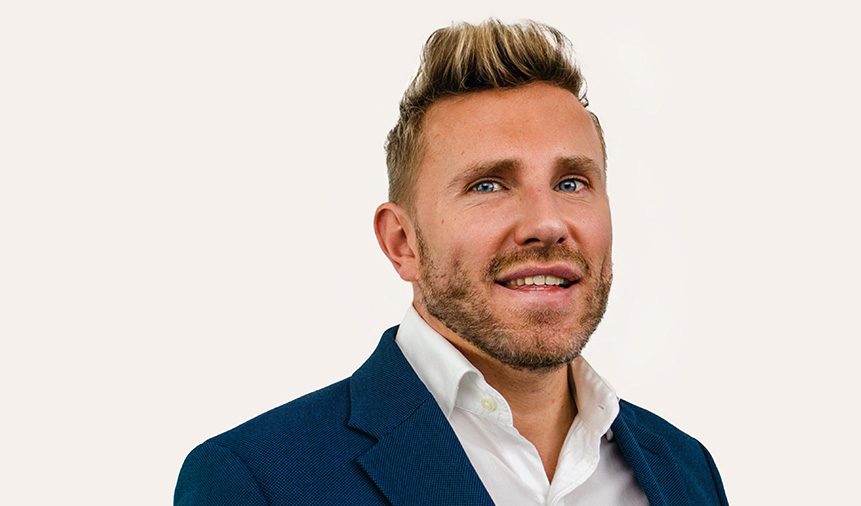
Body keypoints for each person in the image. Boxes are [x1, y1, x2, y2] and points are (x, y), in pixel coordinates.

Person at [175, 19, 728, 506]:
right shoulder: (257, 480)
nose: (548, 222)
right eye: (489, 184)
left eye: (572, 182)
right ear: (402, 243)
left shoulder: (684, 470)